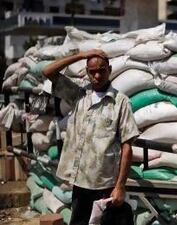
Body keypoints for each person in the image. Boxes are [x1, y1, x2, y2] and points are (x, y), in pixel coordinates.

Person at [42, 49, 139, 225]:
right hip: (81, 183)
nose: (97, 75)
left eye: (101, 70)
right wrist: (81, 56)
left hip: (106, 185)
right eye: (92, 71)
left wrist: (120, 186)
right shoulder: (79, 95)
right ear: (86, 72)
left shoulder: (121, 102)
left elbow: (127, 146)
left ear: (109, 70)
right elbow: (48, 72)